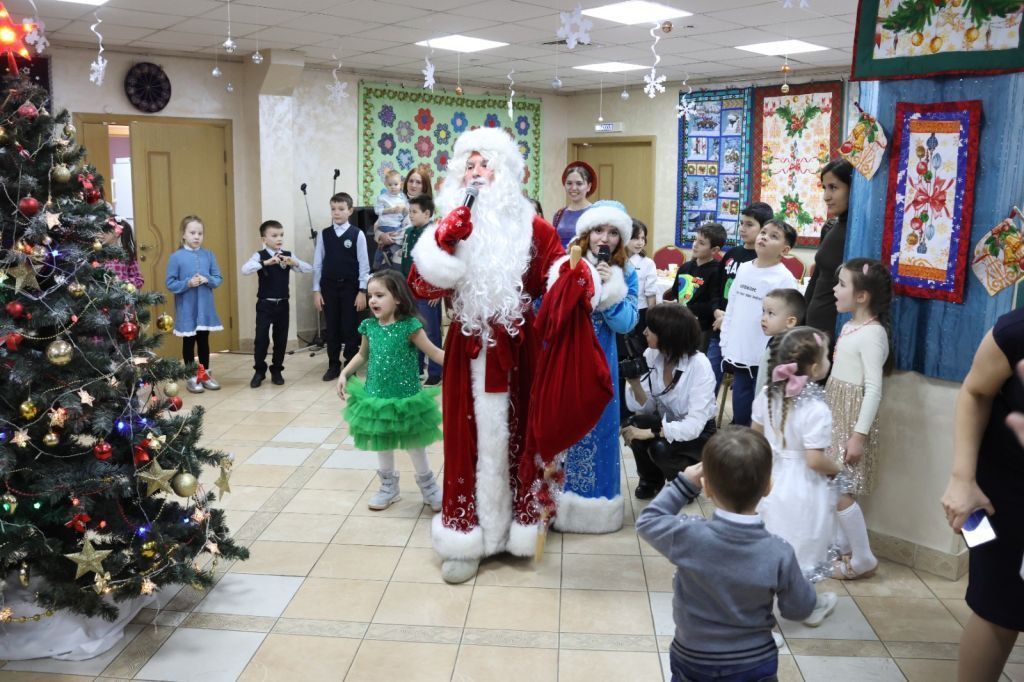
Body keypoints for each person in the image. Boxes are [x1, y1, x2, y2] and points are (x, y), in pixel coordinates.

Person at [408, 127, 606, 583]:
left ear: (506, 173)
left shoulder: (530, 226)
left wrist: (577, 277)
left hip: (518, 349)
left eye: (485, 166)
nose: (477, 174)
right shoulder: (450, 223)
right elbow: (422, 287)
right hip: (466, 350)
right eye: (469, 166)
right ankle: (464, 535)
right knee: (464, 439)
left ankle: (522, 524)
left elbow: (555, 268)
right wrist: (442, 242)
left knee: (523, 435)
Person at [637, 427, 837, 682]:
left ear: (706, 487)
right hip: (753, 662)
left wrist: (684, 483)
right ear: (768, 487)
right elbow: (799, 608)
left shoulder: (689, 535)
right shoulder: (779, 552)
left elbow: (648, 521)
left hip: (692, 656)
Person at [941, 307, 1024, 682]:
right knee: (997, 606)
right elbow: (975, 391)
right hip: (1003, 491)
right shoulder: (1016, 330)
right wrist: (962, 478)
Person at [554, 200, 638, 534]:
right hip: (565, 359)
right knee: (564, 427)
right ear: (587, 233)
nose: (605, 238)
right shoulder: (567, 262)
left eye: (613, 232)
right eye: (599, 230)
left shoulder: (626, 272)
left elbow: (628, 323)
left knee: (601, 428)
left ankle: (596, 506)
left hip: (601, 361)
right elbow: (548, 308)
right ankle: (556, 502)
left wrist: (609, 292)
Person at [337, 270, 445, 512]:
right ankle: (388, 487)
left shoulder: (410, 327)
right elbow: (362, 355)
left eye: (379, 295)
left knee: (415, 444)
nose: (373, 300)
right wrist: (345, 373)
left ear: (396, 298)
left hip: (406, 399)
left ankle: (429, 487)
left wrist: (461, 363)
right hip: (376, 398)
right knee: (381, 442)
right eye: (370, 295)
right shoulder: (369, 327)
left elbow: (435, 353)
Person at [753, 326, 841, 581]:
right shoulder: (816, 408)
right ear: (814, 369)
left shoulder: (768, 394)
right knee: (802, 542)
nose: (829, 361)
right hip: (801, 487)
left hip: (768, 479)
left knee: (770, 537)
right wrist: (837, 468)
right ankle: (803, 602)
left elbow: (755, 437)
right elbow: (814, 460)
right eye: (826, 356)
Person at [827, 258, 892, 580]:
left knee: (839, 487)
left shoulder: (873, 334)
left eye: (841, 284)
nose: (834, 289)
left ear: (862, 296)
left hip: (852, 420)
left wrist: (858, 435)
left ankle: (863, 557)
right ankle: (843, 546)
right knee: (833, 484)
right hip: (836, 412)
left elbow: (874, 391)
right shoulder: (851, 326)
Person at [623, 304, 717, 500]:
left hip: (699, 435)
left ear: (668, 335)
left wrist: (651, 433)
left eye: (651, 329)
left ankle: (687, 486)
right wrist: (635, 384)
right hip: (668, 421)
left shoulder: (699, 365)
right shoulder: (653, 355)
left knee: (659, 447)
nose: (644, 332)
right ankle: (650, 481)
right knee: (634, 425)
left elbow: (694, 426)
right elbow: (647, 406)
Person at [720, 219, 799, 426]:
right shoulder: (745, 268)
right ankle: (741, 435)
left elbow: (786, 323)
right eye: (763, 232)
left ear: (785, 249)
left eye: (774, 236)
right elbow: (732, 306)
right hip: (740, 348)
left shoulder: (784, 278)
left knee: (761, 405)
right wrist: (725, 339)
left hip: (765, 354)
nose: (764, 237)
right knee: (741, 401)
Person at [241, 219, 313, 388]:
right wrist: (265, 263)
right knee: (261, 339)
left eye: (281, 235)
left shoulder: (287, 254)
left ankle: (277, 370)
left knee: (280, 339)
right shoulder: (260, 255)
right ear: (264, 239)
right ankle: (259, 371)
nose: (279, 238)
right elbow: (245, 270)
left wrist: (294, 262)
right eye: (274, 235)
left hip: (282, 305)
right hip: (265, 305)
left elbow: (308, 268)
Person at [709, 202, 774, 389]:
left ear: (764, 229)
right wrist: (716, 311)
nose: (743, 229)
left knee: (743, 385)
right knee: (710, 376)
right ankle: (705, 416)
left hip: (744, 332)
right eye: (742, 223)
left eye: (749, 224)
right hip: (718, 325)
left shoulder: (761, 261)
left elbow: (755, 303)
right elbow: (716, 287)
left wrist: (729, 318)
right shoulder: (732, 254)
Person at [313, 192, 369, 382]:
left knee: (350, 327)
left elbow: (364, 265)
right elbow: (318, 264)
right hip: (328, 287)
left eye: (341, 209)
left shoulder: (357, 234)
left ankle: (350, 367)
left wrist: (362, 291)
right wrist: (316, 290)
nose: (336, 213)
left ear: (350, 211)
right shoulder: (324, 234)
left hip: (350, 288)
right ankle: (333, 365)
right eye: (333, 209)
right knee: (332, 326)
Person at [165, 215, 224, 393]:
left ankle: (203, 374)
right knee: (189, 342)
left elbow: (218, 278)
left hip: (205, 309)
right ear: (183, 235)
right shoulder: (176, 257)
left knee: (204, 341)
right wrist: (187, 284)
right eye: (192, 233)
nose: (196, 236)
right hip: (187, 309)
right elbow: (170, 283)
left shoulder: (209, 255)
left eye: (200, 233)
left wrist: (207, 279)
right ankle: (191, 376)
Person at [804, 159, 853, 342]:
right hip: (814, 330)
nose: (826, 196)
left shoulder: (855, 234)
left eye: (833, 187)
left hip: (833, 332)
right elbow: (817, 279)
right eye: (824, 188)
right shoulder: (834, 227)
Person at [399, 194, 443, 386]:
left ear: (427, 213)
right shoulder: (409, 232)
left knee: (430, 331)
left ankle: (435, 371)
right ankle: (415, 369)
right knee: (412, 330)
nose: (411, 215)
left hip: (428, 293)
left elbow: (442, 263)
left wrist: (438, 289)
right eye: (409, 211)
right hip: (409, 292)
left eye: (414, 212)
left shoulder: (434, 233)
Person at [666, 222, 726, 352]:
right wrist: (676, 304)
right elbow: (676, 291)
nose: (695, 244)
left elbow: (713, 303)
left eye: (702, 243)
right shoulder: (685, 267)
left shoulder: (717, 271)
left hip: (701, 327)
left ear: (714, 250)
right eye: (695, 240)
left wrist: (688, 308)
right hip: (680, 322)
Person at [754, 288, 806, 398]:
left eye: (770, 313)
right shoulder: (774, 342)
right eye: (763, 311)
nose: (763, 318)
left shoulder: (787, 352)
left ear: (791, 321)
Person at [552, 161, 596, 249]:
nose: (573, 188)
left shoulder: (595, 212)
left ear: (588, 186)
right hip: (561, 260)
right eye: (569, 183)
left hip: (586, 261)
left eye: (579, 183)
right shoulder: (559, 214)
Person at [373, 170, 408, 270]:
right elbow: (377, 210)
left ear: (400, 184)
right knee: (383, 244)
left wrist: (404, 209)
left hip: (397, 225)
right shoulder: (382, 197)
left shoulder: (403, 197)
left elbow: (406, 212)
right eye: (390, 184)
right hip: (386, 225)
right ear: (385, 184)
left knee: (393, 243)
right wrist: (390, 210)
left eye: (396, 184)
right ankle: (377, 263)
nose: (393, 187)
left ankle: (387, 255)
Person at [100, 219, 144, 289]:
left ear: (116, 233)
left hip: (121, 297)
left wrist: (123, 282)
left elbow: (139, 280)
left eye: (105, 231)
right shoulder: (96, 253)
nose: (101, 233)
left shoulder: (127, 256)